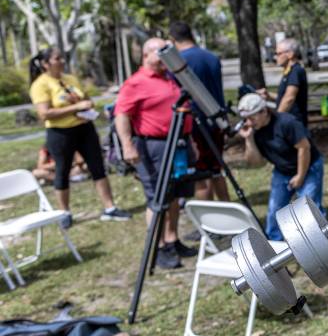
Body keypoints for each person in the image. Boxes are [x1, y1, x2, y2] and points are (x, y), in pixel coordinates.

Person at [114, 38, 197, 269]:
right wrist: (127, 145)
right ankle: (159, 246)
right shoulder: (135, 83)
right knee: (157, 198)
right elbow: (122, 115)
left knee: (175, 194)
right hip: (154, 146)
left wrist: (191, 140)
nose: (166, 57)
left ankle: (172, 239)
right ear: (146, 54)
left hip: (180, 144)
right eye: (161, 52)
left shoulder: (171, 77)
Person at [28, 47, 130, 227]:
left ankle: (110, 208)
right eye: (57, 58)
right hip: (60, 133)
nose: (62, 61)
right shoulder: (40, 84)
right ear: (45, 64)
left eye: (62, 57)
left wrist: (88, 104)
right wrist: (75, 108)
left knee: (98, 167)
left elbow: (85, 98)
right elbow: (44, 114)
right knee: (62, 171)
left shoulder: (70, 79)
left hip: (85, 128)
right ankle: (65, 213)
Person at [237, 92, 325, 242]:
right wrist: (249, 140)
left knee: (309, 208)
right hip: (282, 171)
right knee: (275, 211)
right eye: (246, 119)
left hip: (308, 167)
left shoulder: (286, 122)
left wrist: (300, 176)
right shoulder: (255, 131)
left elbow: (304, 148)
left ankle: (319, 242)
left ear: (264, 111)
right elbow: (257, 163)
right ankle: (274, 246)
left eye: (252, 117)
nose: (249, 122)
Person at [169, 20, 230, 202]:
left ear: (173, 40)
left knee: (201, 174)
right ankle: (228, 209)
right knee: (217, 170)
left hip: (195, 124)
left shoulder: (179, 63)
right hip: (217, 120)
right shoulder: (211, 57)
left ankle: (209, 221)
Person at [259, 38, 308, 127]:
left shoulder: (296, 71)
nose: (275, 57)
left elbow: (289, 99)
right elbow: (284, 96)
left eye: (278, 54)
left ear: (290, 54)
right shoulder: (289, 72)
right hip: (288, 122)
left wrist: (277, 120)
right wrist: (269, 95)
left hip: (294, 124)